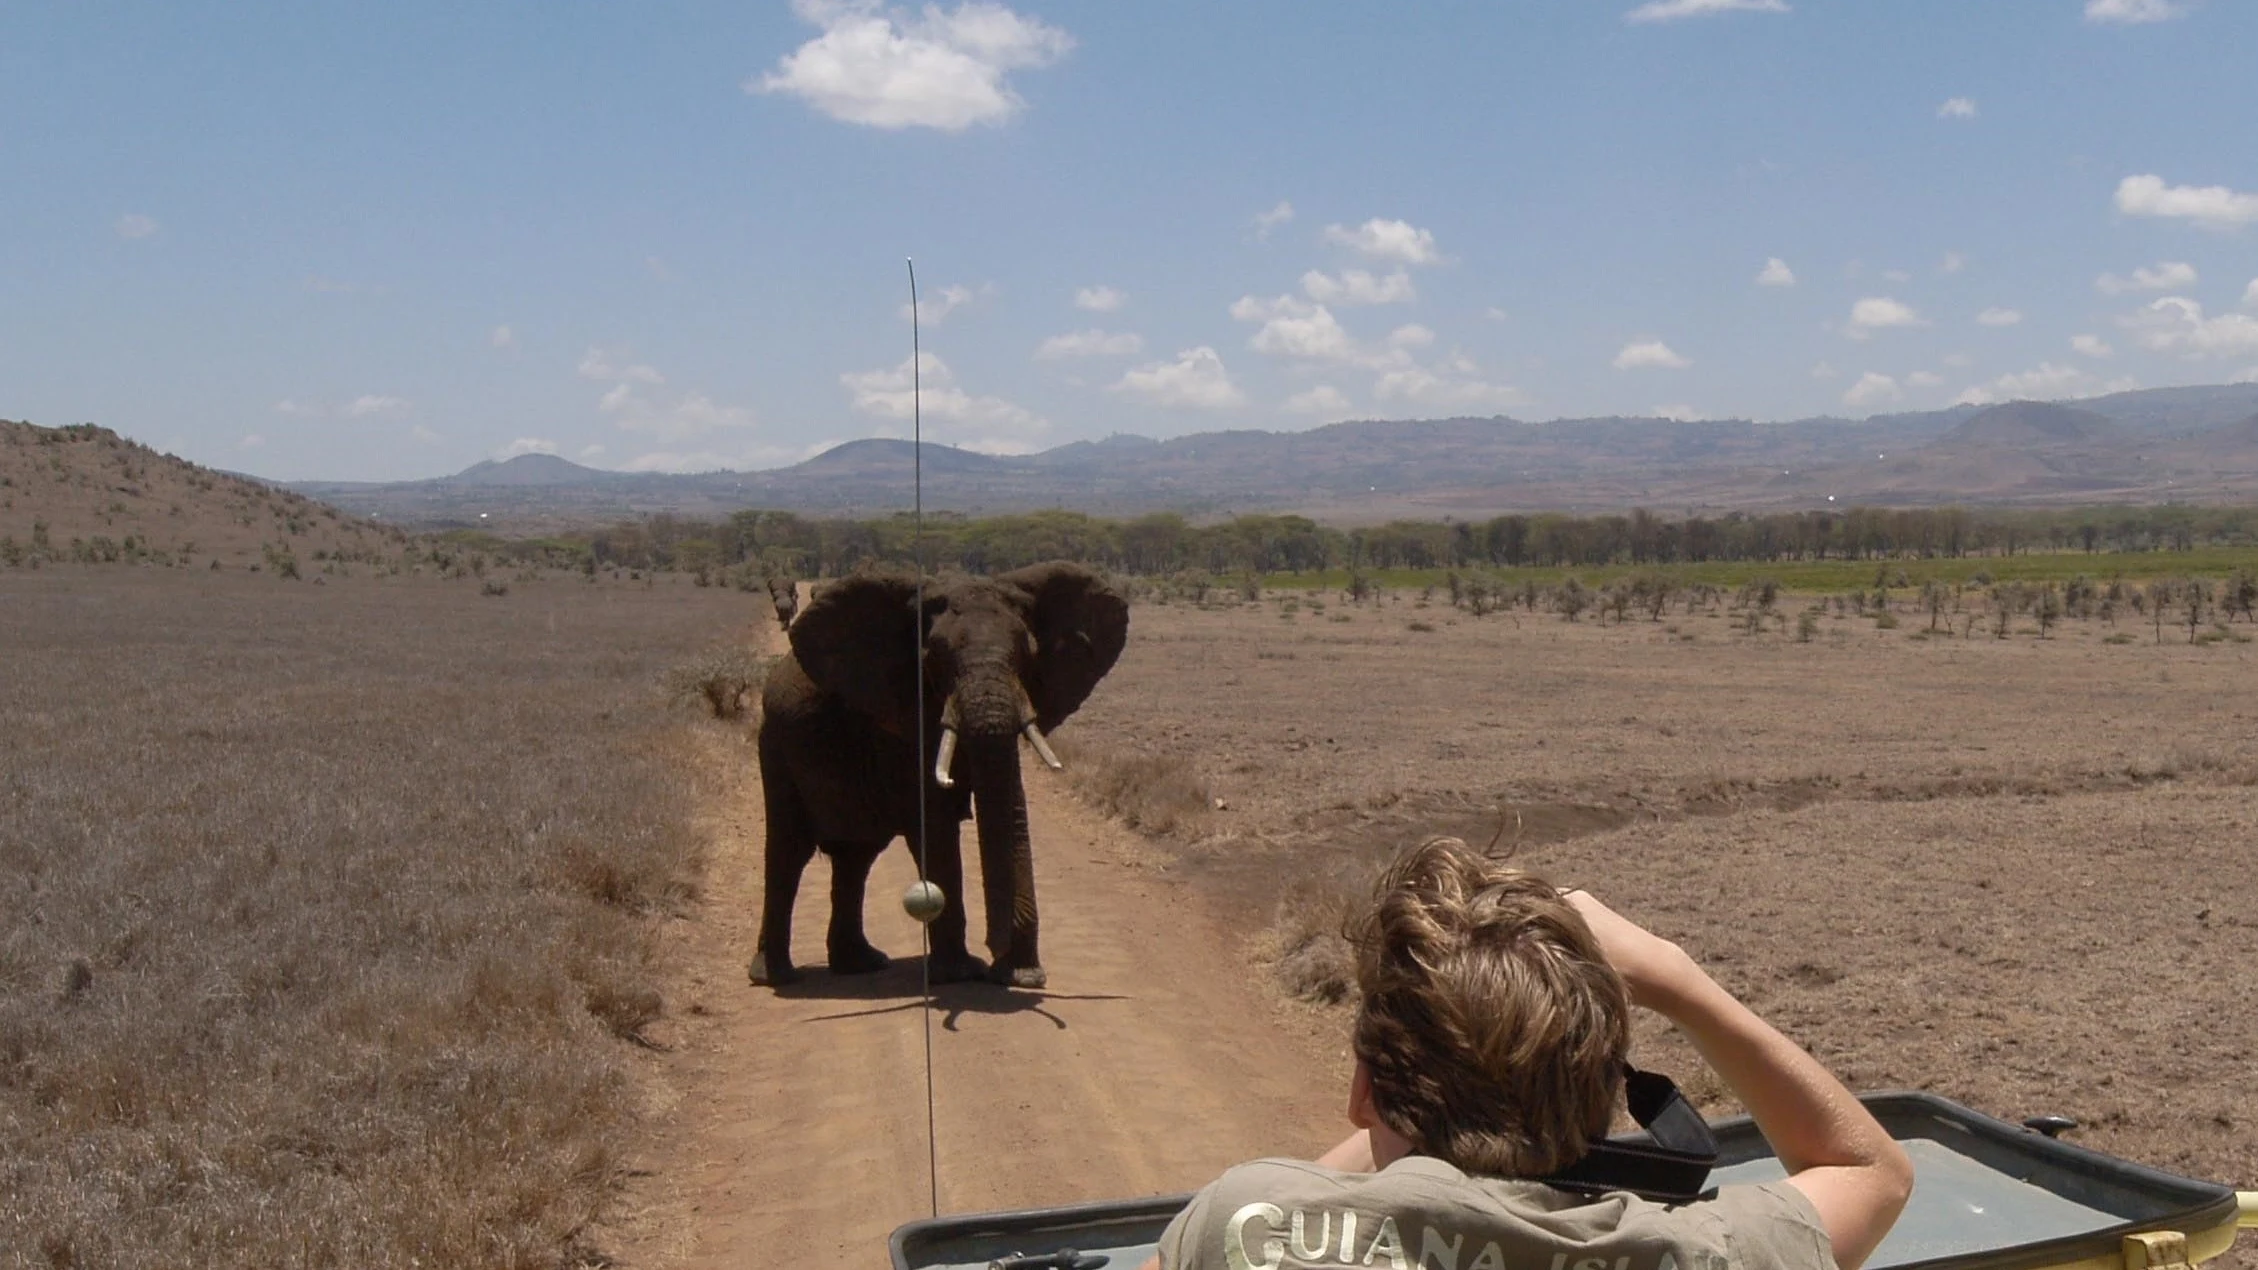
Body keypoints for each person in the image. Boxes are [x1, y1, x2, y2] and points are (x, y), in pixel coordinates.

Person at [1144, 837, 1911, 1270]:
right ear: (1598, 1101)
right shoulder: (1694, 1254)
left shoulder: (1242, 1222)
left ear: (1364, 1094)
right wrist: (1677, 982)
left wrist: (1407, 1079)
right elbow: (1869, 1171)